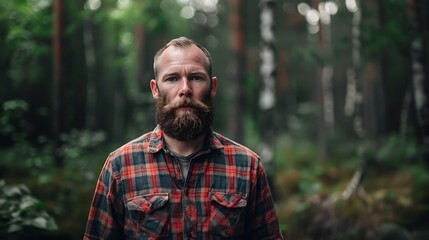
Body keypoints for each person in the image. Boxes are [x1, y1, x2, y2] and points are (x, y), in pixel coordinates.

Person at [84, 37, 284, 239]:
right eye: (172, 78)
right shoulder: (120, 166)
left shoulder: (247, 166)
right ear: (155, 89)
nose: (185, 89)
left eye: (196, 77)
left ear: (213, 87)